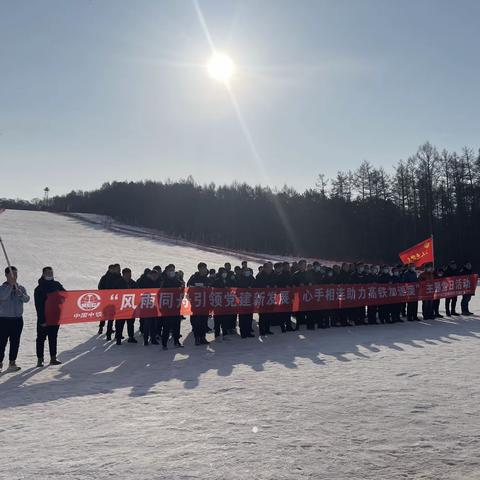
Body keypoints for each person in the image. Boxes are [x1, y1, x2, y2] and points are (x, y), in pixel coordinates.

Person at [34, 266, 65, 366]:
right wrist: (42, 320)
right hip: (43, 318)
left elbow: (66, 295)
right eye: (47, 272)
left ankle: (53, 358)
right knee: (41, 339)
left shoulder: (57, 284)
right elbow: (38, 306)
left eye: (51, 272)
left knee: (53, 338)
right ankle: (40, 359)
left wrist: (60, 297)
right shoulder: (39, 288)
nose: (50, 274)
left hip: (55, 316)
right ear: (43, 274)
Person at [0, 266, 30, 372]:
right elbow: (2, 297)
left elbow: (27, 299)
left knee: (15, 342)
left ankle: (12, 362)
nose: (14, 277)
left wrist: (20, 294)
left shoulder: (21, 287)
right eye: (12, 275)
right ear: (6, 275)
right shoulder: (2, 288)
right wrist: (10, 287)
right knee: (1, 342)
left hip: (17, 320)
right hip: (4, 320)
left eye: (16, 274)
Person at [160, 264, 184, 349]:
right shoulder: (163, 280)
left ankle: (176, 341)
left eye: (173, 270)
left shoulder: (177, 280)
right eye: (170, 270)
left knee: (176, 325)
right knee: (166, 327)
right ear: (166, 271)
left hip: (175, 307)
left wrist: (182, 286)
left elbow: (182, 291)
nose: (172, 272)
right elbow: (159, 293)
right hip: (166, 308)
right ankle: (164, 343)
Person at [187, 262, 211, 345]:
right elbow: (189, 285)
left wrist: (207, 287)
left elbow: (211, 287)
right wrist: (195, 287)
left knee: (204, 322)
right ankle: (197, 338)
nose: (204, 270)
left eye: (205, 268)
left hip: (205, 303)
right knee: (197, 322)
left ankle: (203, 337)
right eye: (202, 268)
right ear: (199, 269)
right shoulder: (194, 277)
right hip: (196, 303)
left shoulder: (207, 278)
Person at [98, 263, 122, 340]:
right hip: (108, 299)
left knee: (114, 316)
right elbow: (102, 287)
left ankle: (112, 331)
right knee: (107, 315)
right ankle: (104, 329)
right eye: (117, 268)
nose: (119, 269)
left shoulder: (119, 277)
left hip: (116, 299)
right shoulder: (107, 277)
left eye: (119, 268)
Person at [115, 268, 138, 345]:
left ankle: (131, 337)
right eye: (127, 275)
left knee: (131, 323)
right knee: (120, 324)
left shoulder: (133, 283)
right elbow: (113, 294)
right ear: (123, 275)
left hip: (130, 307)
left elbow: (137, 294)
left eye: (130, 274)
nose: (129, 276)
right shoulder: (118, 283)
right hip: (120, 307)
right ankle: (118, 338)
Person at [236, 267, 255, 338]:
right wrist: (246, 288)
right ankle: (243, 332)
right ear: (242, 272)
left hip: (250, 300)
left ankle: (248, 331)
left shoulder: (252, 278)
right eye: (245, 271)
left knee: (249, 317)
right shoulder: (240, 279)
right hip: (242, 301)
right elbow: (237, 290)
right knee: (243, 317)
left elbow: (255, 285)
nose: (247, 272)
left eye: (248, 271)